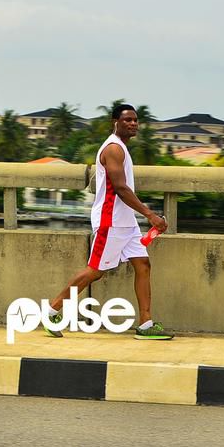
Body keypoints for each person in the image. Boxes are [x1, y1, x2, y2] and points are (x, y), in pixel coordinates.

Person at [44, 103, 173, 340]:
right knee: (95, 271)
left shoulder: (122, 147)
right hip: (110, 221)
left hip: (126, 222)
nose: (133, 124)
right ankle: (52, 311)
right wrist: (150, 215)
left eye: (135, 120)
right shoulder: (113, 148)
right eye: (127, 120)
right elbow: (121, 188)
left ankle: (145, 325)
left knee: (143, 265)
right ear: (115, 122)